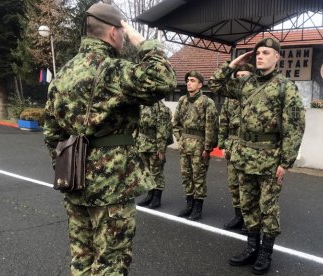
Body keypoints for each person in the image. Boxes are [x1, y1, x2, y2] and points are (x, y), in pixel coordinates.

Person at [43, 3, 176, 275]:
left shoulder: (63, 74)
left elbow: (52, 133)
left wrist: (66, 167)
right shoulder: (112, 70)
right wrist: (144, 43)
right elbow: (163, 80)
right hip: (112, 184)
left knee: (81, 258)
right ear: (114, 33)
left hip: (74, 179)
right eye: (123, 33)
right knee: (111, 262)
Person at [209, 38, 305, 275]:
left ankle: (265, 252)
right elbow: (215, 84)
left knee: (268, 208)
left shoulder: (285, 87)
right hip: (244, 155)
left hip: (270, 157)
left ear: (277, 57)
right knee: (248, 205)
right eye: (257, 53)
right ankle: (251, 247)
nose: (260, 56)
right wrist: (235, 63)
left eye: (265, 53)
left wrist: (286, 162)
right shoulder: (246, 83)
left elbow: (295, 126)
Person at [173, 71, 218, 221]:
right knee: (186, 176)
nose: (188, 83)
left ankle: (198, 208)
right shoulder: (182, 100)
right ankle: (189, 204)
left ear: (200, 84)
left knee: (198, 177)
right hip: (185, 144)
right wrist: (180, 139)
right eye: (187, 80)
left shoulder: (207, 102)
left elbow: (211, 127)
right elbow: (176, 123)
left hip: (199, 146)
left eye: (192, 80)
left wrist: (207, 148)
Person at [218, 63, 255, 232]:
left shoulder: (255, 96)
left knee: (248, 185)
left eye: (244, 76)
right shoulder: (230, 99)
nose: (240, 79)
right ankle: (238, 216)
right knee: (234, 184)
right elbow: (223, 122)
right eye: (238, 76)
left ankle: (251, 220)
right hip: (232, 145)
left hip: (249, 146)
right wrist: (223, 145)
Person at [136, 101, 173, 209]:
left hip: (155, 145)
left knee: (156, 171)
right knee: (147, 171)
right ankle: (150, 195)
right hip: (143, 143)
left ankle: (157, 197)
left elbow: (162, 130)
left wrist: (161, 149)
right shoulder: (142, 105)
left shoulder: (161, 108)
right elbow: (137, 126)